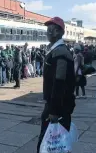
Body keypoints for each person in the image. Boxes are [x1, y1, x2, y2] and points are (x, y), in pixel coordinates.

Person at [37, 17, 76, 153]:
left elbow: (59, 82)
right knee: (54, 145)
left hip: (58, 107)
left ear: (60, 32)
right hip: (56, 105)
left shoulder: (60, 53)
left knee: (51, 144)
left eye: (51, 30)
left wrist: (54, 110)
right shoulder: (55, 51)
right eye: (48, 30)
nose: (48, 32)